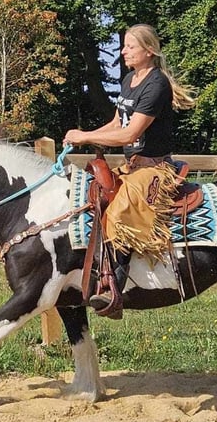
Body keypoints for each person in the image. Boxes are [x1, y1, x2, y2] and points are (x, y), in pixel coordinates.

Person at [63, 23, 195, 317]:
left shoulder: (156, 84)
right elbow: (116, 124)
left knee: (120, 212)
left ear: (149, 51)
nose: (123, 51)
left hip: (154, 169)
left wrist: (84, 137)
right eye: (124, 46)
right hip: (132, 165)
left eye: (130, 46)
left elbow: (128, 135)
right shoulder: (130, 80)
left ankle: (114, 289)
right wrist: (84, 133)